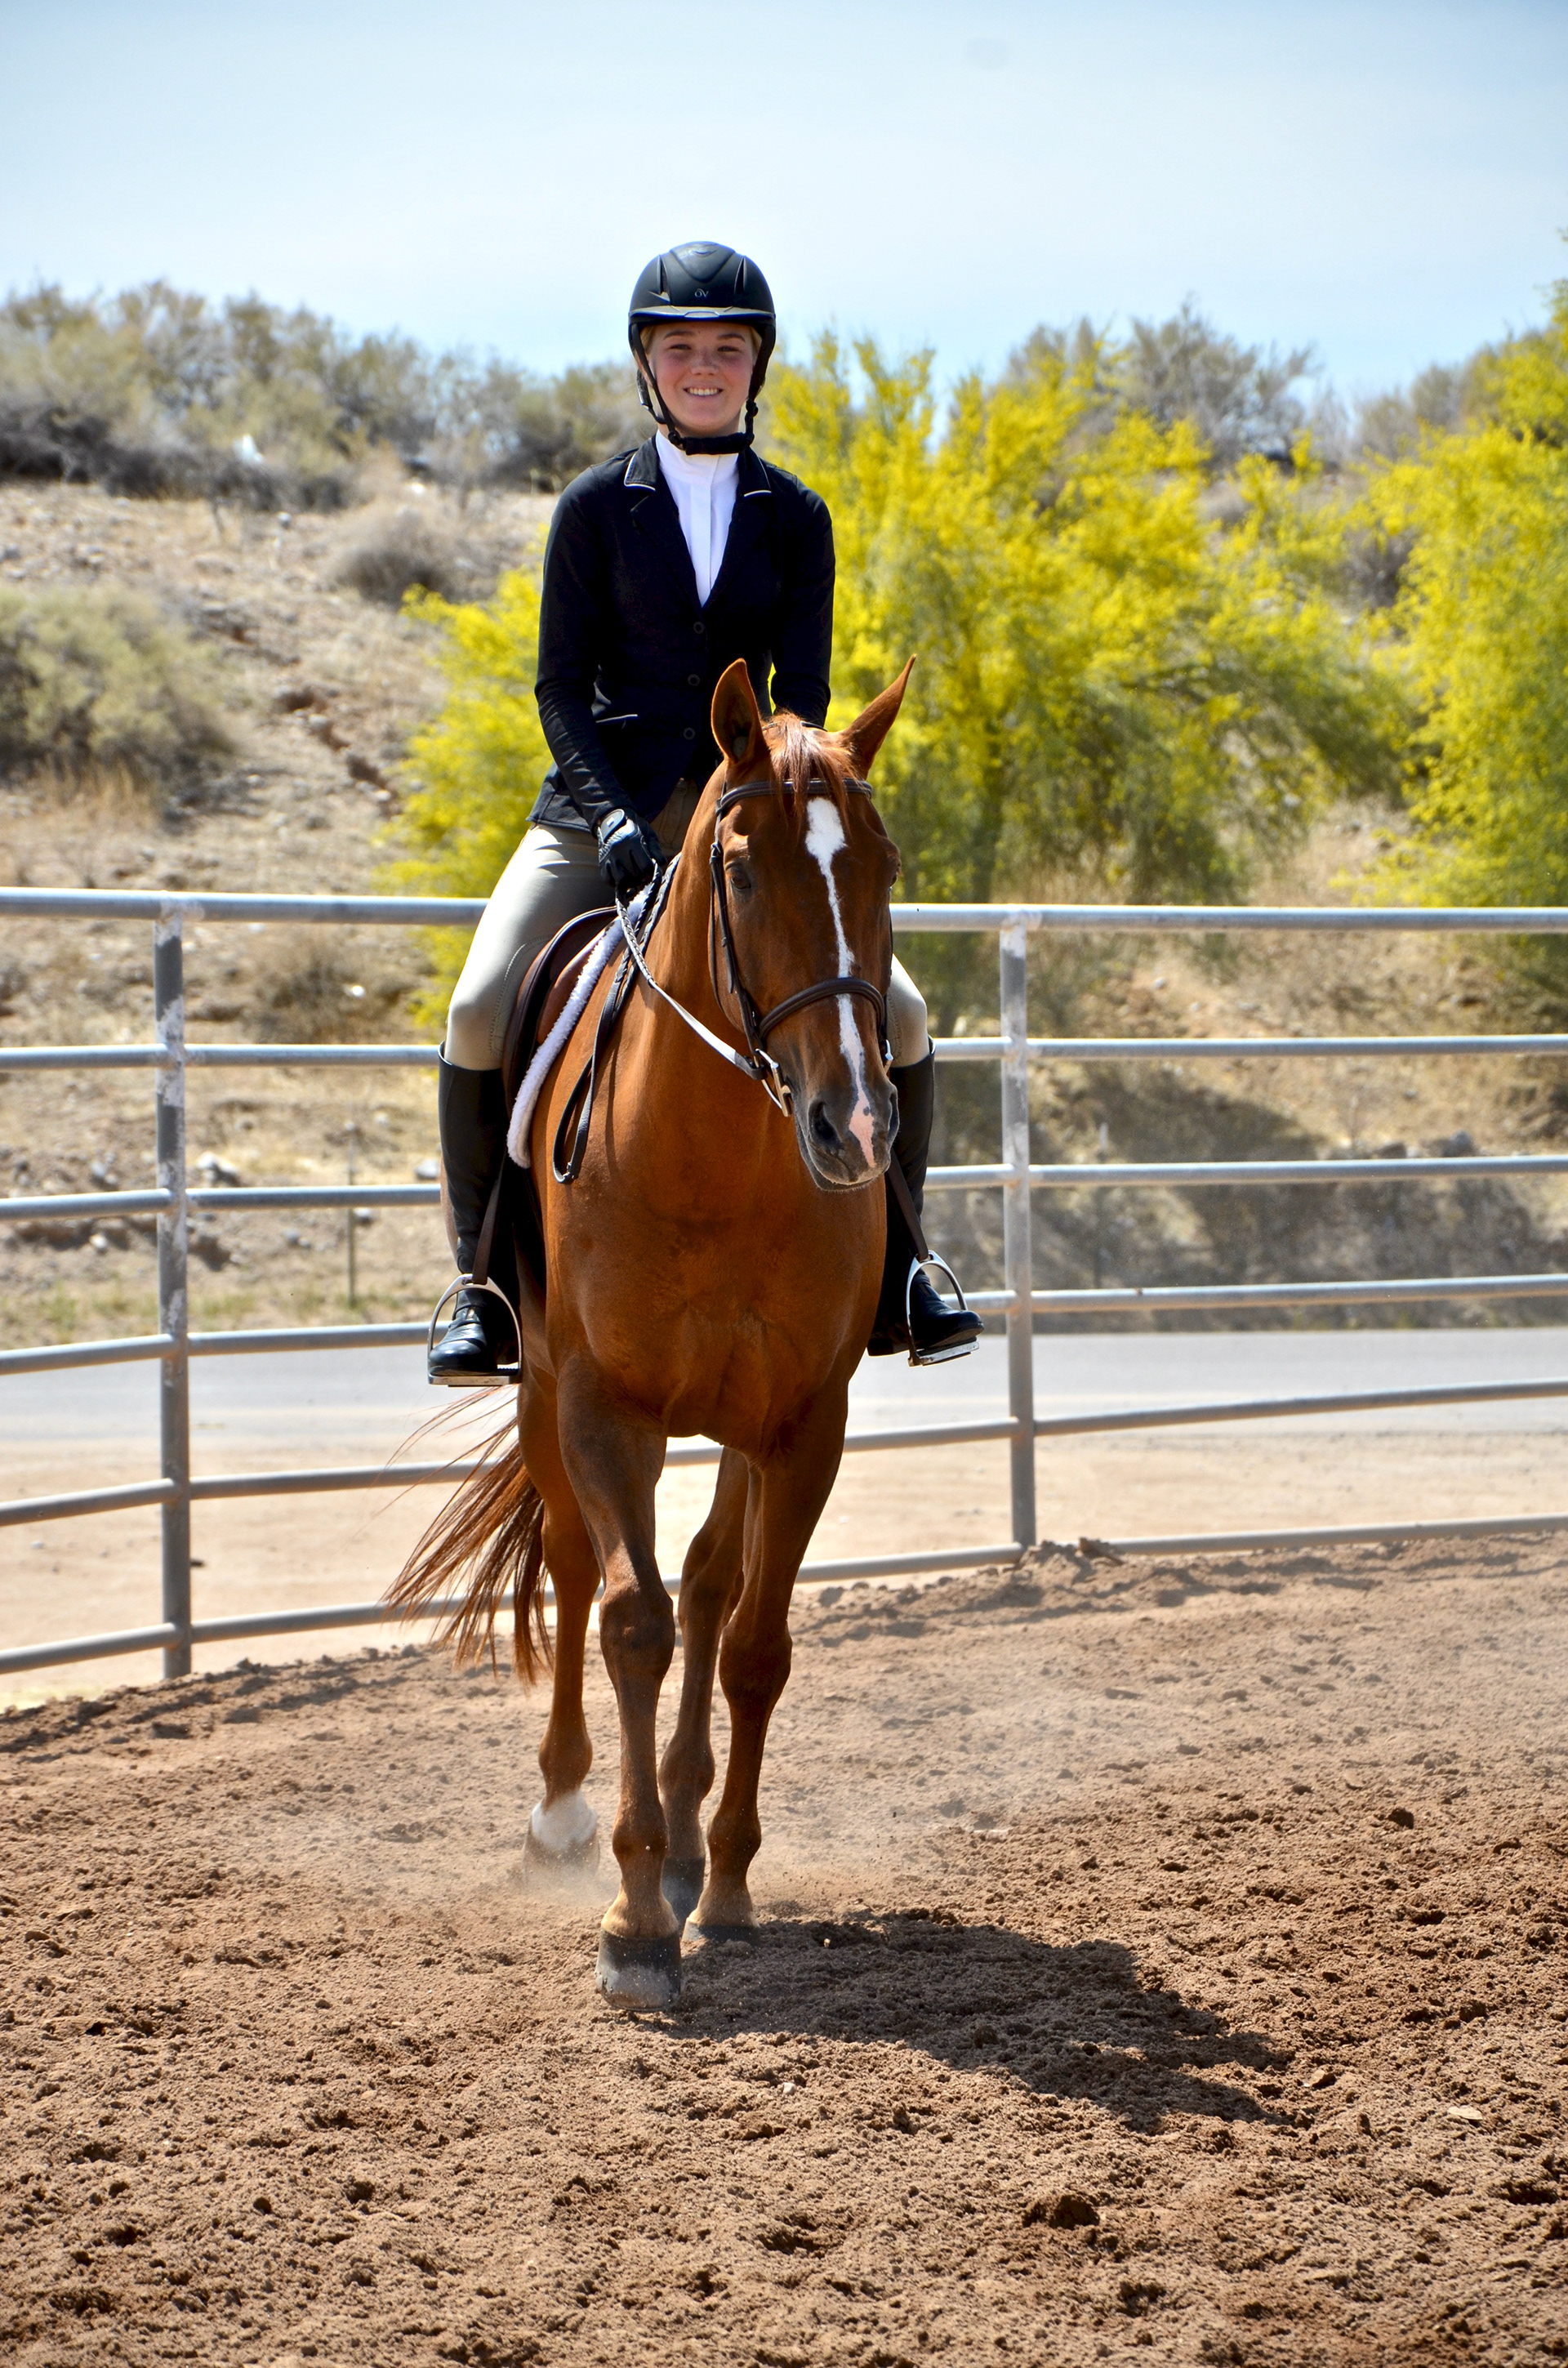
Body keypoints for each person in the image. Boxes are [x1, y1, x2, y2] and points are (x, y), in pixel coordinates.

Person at [428, 239, 982, 1385]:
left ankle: (906, 1268)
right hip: (601, 813)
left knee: (905, 1015)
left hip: (750, 817)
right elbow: (558, 689)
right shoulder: (593, 509)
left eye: (727, 347)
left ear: (755, 366)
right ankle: (483, 1291)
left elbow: (805, 698)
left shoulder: (798, 517)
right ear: (648, 364)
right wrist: (613, 821)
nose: (704, 366)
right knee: (479, 1008)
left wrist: (767, 802)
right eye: (680, 346)